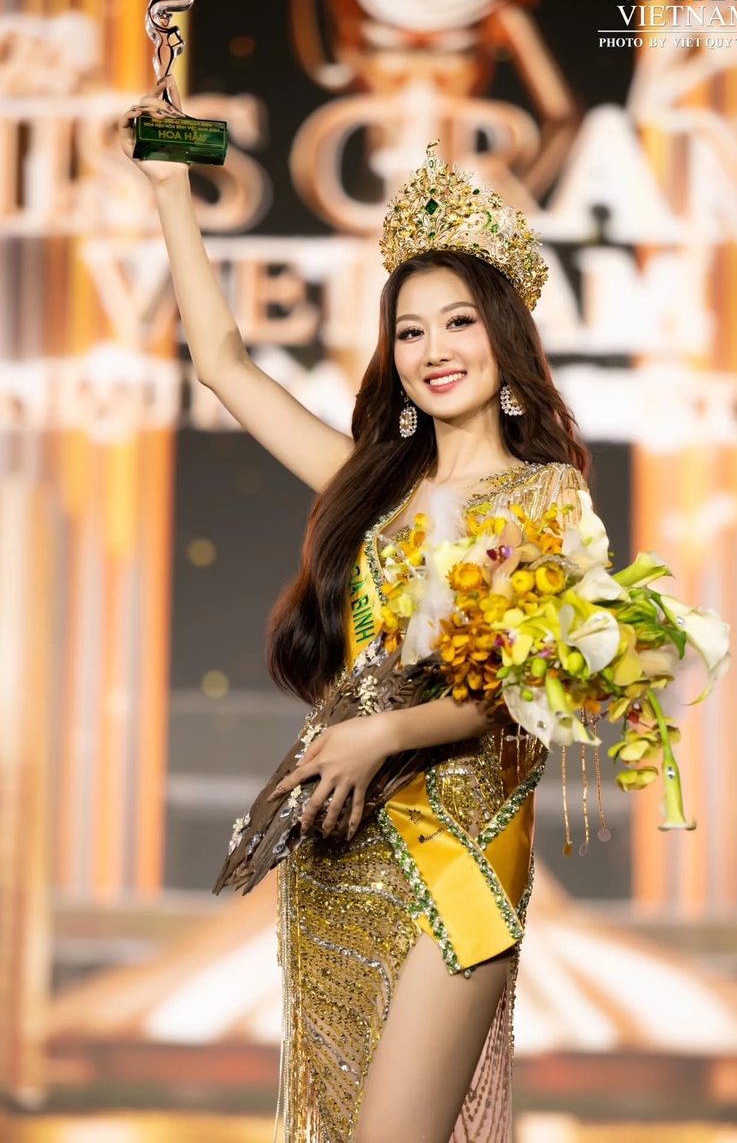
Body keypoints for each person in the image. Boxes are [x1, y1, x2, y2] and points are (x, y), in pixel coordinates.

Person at [120, 89, 592, 1143]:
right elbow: (224, 364)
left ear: (506, 337)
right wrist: (169, 189)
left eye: (459, 321)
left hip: (461, 846)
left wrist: (383, 732)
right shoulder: (371, 489)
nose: (433, 347)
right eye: (409, 329)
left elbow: (528, 687)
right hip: (341, 848)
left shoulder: (548, 497)